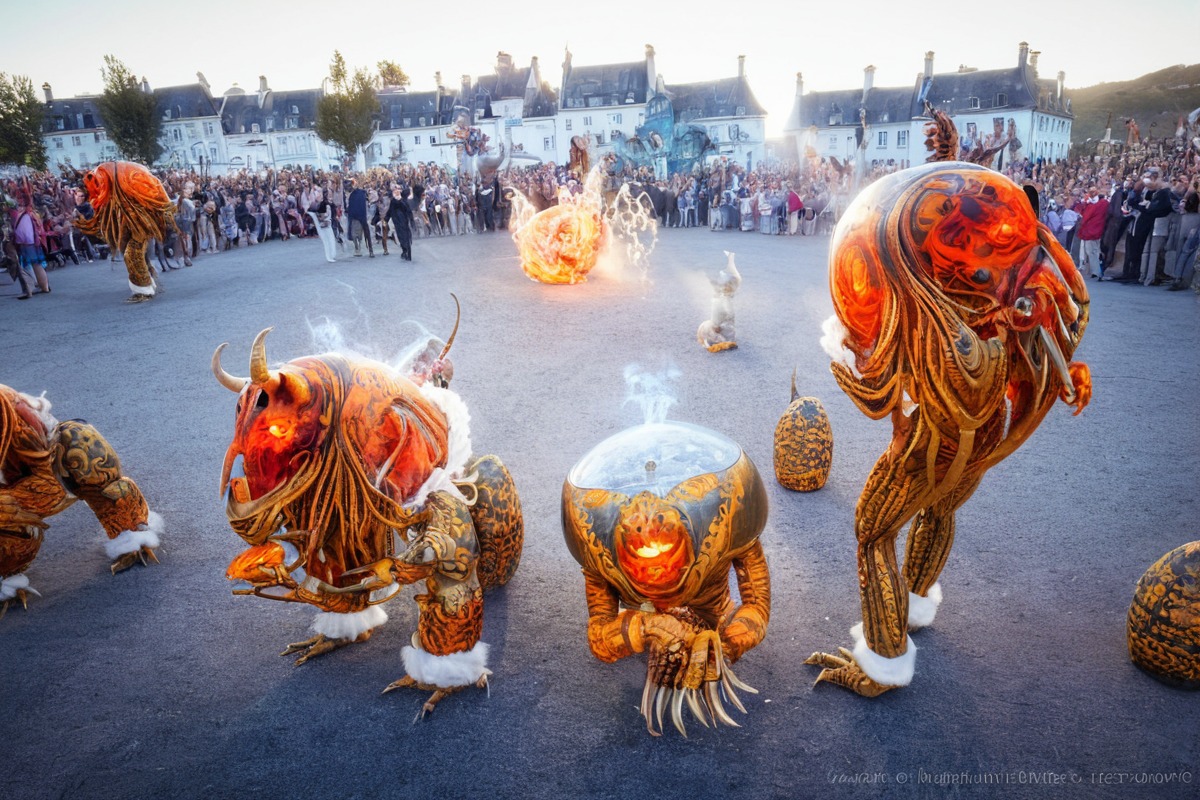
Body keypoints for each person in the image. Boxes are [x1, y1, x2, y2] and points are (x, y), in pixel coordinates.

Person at [1076, 185, 1108, 280]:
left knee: (1092, 251)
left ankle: (1097, 271)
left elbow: (1086, 216)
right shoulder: (1101, 204)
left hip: (1091, 231)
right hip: (1094, 230)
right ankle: (1095, 271)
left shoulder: (1097, 205)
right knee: (1093, 251)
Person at [307, 187, 338, 263]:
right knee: (327, 241)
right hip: (324, 225)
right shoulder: (320, 204)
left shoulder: (326, 203)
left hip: (327, 224)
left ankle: (331, 255)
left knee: (331, 240)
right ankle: (329, 256)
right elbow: (321, 216)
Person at [344, 178, 373, 257]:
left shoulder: (360, 192)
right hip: (354, 216)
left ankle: (370, 250)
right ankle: (361, 249)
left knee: (365, 232)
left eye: (348, 186)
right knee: (354, 233)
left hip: (361, 215)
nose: (348, 188)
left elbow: (366, 202)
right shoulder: (351, 194)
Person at [387, 185, 414, 261]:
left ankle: (407, 252)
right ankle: (404, 251)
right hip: (397, 222)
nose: (396, 191)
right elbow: (390, 211)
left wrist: (411, 221)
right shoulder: (393, 201)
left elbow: (408, 210)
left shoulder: (404, 200)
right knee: (400, 237)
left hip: (404, 221)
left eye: (398, 190)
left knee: (406, 236)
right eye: (395, 190)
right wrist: (386, 219)